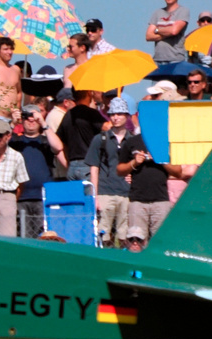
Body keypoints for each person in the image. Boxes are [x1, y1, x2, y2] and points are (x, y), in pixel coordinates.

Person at [116, 114, 192, 245]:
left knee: (161, 241)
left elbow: (178, 172)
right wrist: (134, 162)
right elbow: (119, 170)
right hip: (137, 201)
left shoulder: (166, 143)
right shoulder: (132, 142)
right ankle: (138, 265)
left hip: (161, 200)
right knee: (136, 242)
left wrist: (160, 159)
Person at [84, 98, 143, 246]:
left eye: (119, 113)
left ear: (127, 115)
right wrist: (95, 196)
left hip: (127, 193)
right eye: (112, 114)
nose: (115, 117)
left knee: (125, 236)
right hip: (105, 192)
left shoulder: (134, 140)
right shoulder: (100, 139)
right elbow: (94, 168)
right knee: (103, 235)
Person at [11, 106, 56, 237]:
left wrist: (44, 123)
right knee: (24, 235)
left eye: (34, 119)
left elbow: (58, 147)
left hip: (42, 197)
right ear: (22, 121)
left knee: (43, 236)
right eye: (27, 119)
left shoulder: (45, 140)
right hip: (21, 197)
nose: (31, 122)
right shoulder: (16, 141)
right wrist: (13, 123)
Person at [55, 89, 106, 183]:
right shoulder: (90, 113)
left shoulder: (67, 115)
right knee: (90, 196)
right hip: (89, 165)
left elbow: (59, 141)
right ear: (88, 93)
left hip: (72, 167)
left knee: (75, 197)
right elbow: (106, 127)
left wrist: (68, 161)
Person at [146, 0, 191, 64]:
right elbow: (148, 36)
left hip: (176, 59)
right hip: (158, 59)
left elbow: (174, 31)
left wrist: (156, 30)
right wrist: (167, 33)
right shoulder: (157, 13)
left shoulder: (183, 11)